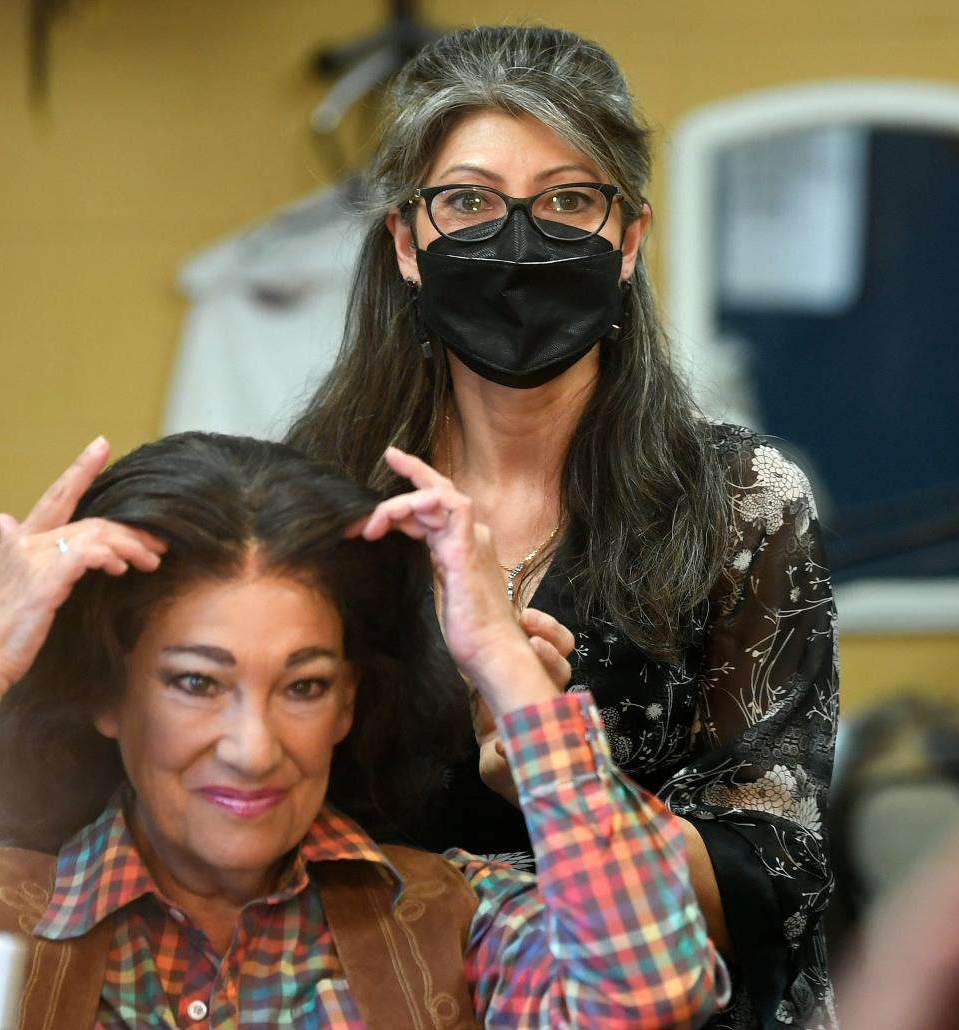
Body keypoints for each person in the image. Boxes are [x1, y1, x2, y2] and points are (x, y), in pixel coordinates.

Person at [285, 24, 839, 1030]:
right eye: (469, 201)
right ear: (408, 241)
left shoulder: (742, 503)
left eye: (569, 200)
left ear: (629, 238)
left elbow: (774, 883)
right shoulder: (314, 505)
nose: (519, 239)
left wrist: (556, 772)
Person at [0, 432, 727, 1028]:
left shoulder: (447, 918)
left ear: (348, 702)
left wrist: (504, 663)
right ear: (107, 694)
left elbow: (653, 990)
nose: (253, 750)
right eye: (197, 683)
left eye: (304, 686)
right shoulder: (11, 919)